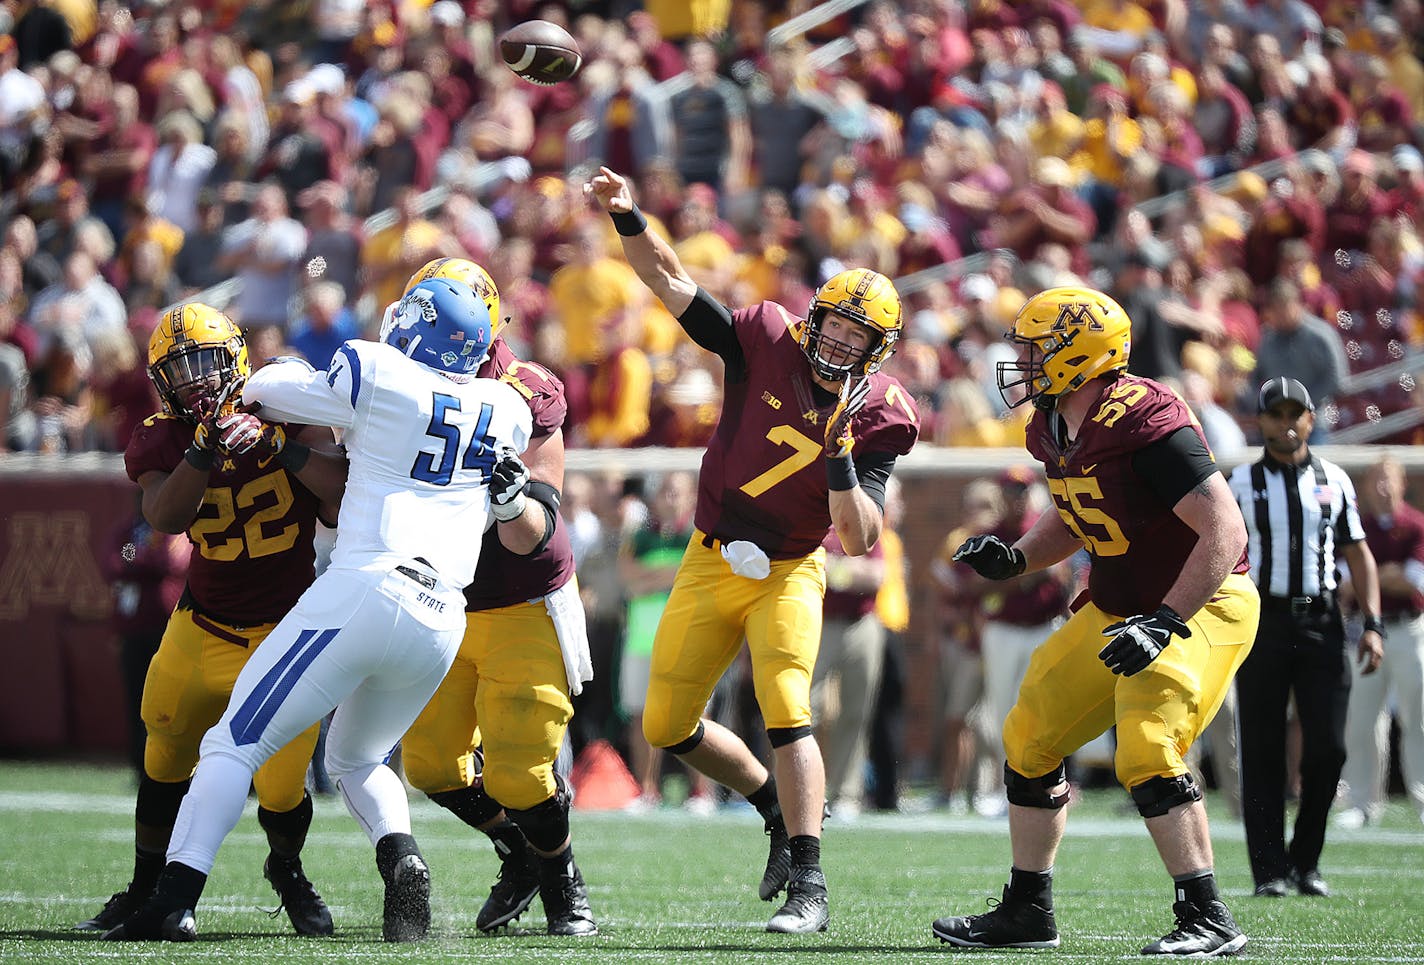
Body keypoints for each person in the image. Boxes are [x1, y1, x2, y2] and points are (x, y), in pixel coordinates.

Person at [102, 280, 533, 942]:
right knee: (356, 757)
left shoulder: (378, 368)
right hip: (441, 612)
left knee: (231, 741)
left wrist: (246, 403)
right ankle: (403, 857)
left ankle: (172, 896)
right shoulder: (507, 407)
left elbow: (279, 388)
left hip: (367, 585)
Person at [586, 165, 918, 934]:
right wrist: (629, 217)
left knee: (789, 712)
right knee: (667, 724)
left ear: (877, 346)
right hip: (709, 556)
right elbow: (670, 281)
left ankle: (811, 880)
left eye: (856, 333)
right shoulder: (764, 337)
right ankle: (772, 805)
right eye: (834, 321)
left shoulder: (880, 414)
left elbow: (863, 533)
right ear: (816, 316)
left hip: (789, 569)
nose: (839, 337)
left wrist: (838, 460)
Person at [934, 286, 1259, 957]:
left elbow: (1224, 529)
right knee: (1028, 735)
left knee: (1145, 746)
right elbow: (1078, 507)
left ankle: (1208, 914)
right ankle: (1028, 909)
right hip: (1119, 604)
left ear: (1079, 352)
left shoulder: (1144, 417)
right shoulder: (1053, 419)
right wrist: (1018, 556)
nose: (1020, 359)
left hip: (1202, 600)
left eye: (1035, 347)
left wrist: (1166, 619)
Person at [76, 304, 343, 939]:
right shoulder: (161, 436)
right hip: (203, 623)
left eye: (203, 363)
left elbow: (337, 492)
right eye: (179, 369)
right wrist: (202, 450)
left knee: (281, 787)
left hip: (284, 630)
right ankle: (145, 888)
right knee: (163, 749)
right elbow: (165, 518)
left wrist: (276, 443)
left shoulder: (282, 405)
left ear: (236, 358)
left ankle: (288, 871)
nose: (194, 380)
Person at [395, 258, 599, 938]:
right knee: (428, 762)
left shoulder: (523, 391)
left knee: (519, 772)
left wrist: (510, 498)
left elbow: (530, 535)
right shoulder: (400, 381)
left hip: (520, 599)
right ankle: (520, 851)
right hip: (442, 599)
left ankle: (561, 875)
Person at [1227, 376, 1385, 899]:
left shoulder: (1335, 479)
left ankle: (1306, 860)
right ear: (1261, 421)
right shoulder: (1240, 483)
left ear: (1311, 419)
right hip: (1261, 624)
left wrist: (1374, 624)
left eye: (1296, 413)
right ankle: (1269, 869)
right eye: (1276, 414)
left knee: (1329, 748)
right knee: (1263, 748)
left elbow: (1357, 551)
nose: (1287, 423)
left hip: (1321, 622)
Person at [1338, 455, 1424, 828]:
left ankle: (1421, 798)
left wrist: (1371, 576)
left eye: (1390, 480)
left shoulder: (1417, 525)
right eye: (1377, 480)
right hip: (1366, 631)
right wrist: (1384, 574)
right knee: (1362, 719)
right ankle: (1362, 802)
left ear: (1403, 483)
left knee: (1417, 719)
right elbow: (1344, 583)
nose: (1384, 488)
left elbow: (1414, 581)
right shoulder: (1360, 527)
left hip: (1409, 629)